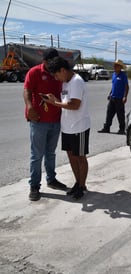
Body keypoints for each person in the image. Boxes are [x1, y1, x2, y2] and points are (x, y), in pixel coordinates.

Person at [43, 56, 91, 199]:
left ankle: (82, 186)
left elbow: (75, 105)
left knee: (80, 157)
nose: (56, 78)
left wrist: (54, 104)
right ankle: (78, 182)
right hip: (67, 127)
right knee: (71, 157)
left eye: (57, 74)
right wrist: (55, 100)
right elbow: (66, 102)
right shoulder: (66, 82)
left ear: (63, 70)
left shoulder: (76, 82)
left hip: (79, 126)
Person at [23, 48, 67, 201]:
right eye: (49, 63)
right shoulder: (34, 72)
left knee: (51, 153)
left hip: (55, 120)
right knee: (37, 155)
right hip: (39, 121)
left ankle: (51, 180)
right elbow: (27, 91)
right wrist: (29, 107)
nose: (51, 65)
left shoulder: (58, 74)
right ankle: (34, 186)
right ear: (44, 62)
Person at [98, 59, 129, 135]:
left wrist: (125, 96)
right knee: (109, 114)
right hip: (112, 98)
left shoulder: (123, 76)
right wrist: (110, 93)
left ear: (120, 67)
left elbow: (127, 87)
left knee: (120, 115)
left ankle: (121, 129)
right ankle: (106, 128)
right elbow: (113, 86)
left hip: (119, 99)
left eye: (116, 65)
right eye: (114, 65)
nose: (114, 67)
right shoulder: (114, 75)